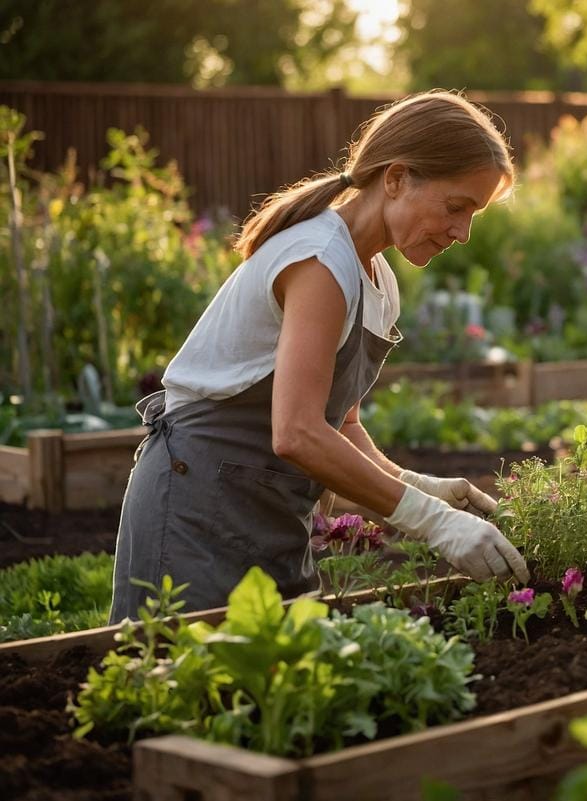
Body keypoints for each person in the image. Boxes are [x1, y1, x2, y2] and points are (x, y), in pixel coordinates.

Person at [110, 91, 528, 622]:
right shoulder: (319, 261)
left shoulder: (375, 278)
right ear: (396, 178)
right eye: (456, 207)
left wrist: (420, 487)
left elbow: (339, 424)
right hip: (198, 505)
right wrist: (434, 523)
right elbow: (298, 432)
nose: (462, 233)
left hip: (268, 512)